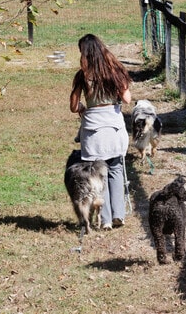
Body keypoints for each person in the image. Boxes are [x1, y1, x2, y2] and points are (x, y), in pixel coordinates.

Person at [70, 34, 132, 230]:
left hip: (92, 131)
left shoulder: (82, 76)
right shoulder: (115, 72)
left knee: (98, 174)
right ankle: (119, 214)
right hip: (113, 128)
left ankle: (104, 220)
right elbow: (127, 98)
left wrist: (82, 108)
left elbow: (73, 106)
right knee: (116, 169)